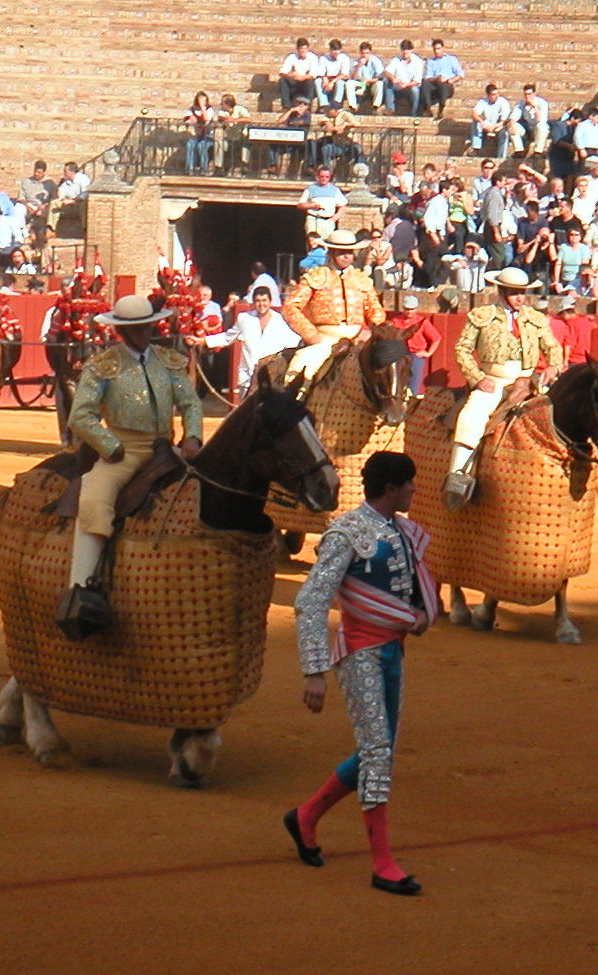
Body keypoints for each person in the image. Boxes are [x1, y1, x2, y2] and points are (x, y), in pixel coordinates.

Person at [286, 450, 440, 896]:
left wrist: (420, 614)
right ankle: (382, 864)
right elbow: (311, 600)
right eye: (409, 483)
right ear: (391, 489)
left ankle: (306, 816)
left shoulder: (399, 530)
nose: (414, 489)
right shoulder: (347, 534)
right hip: (359, 654)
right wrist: (314, 670)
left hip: (392, 648)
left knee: (380, 750)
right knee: (376, 752)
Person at [64, 294, 204, 600]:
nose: (144, 333)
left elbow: (190, 403)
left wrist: (192, 437)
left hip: (166, 449)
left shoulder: (168, 361)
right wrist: (110, 446)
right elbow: (80, 416)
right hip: (123, 452)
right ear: (122, 331)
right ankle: (80, 590)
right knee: (94, 499)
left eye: (147, 327)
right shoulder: (102, 365)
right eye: (137, 329)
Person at [442, 267, 563, 508]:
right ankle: (457, 479)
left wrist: (553, 366)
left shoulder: (536, 318)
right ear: (502, 291)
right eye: (515, 293)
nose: (521, 298)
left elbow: (553, 347)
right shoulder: (482, 315)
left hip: (530, 382)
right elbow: (462, 349)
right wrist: (478, 378)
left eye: (523, 293)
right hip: (494, 380)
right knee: (470, 417)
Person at [283, 229, 385, 383]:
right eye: (341, 252)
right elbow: (290, 306)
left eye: (349, 252)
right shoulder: (316, 277)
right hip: (325, 339)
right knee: (301, 368)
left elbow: (377, 310)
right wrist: (312, 336)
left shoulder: (361, 279)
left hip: (358, 339)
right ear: (331, 253)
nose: (346, 256)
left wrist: (370, 331)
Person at [203, 285, 300, 395]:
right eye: (258, 301)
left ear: (270, 302)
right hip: (248, 377)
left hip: (272, 378)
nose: (261, 304)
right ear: (253, 303)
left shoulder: (281, 321)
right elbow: (227, 338)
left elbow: (295, 342)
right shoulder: (244, 318)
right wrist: (204, 340)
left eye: (264, 300)